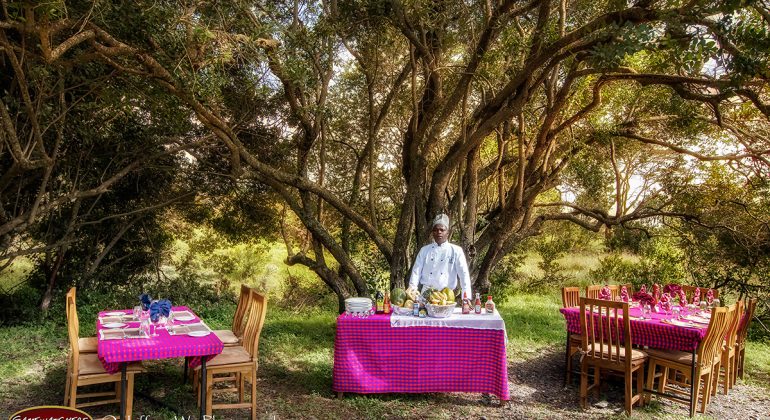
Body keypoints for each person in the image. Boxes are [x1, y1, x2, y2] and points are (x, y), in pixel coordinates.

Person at [408, 213, 472, 300]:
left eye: (442, 230)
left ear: (448, 233)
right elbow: (416, 272)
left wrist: (466, 297)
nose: (439, 232)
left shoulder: (456, 251)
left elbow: (463, 274)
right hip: (426, 294)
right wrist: (412, 291)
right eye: (436, 230)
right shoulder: (424, 250)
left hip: (447, 295)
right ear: (432, 233)